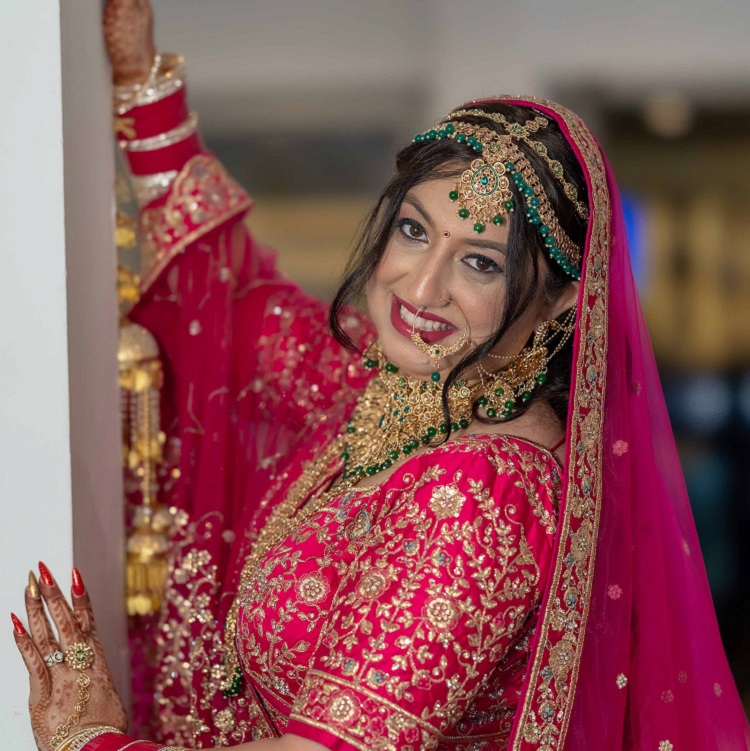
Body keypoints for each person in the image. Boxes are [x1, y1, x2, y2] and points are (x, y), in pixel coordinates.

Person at [11, 1, 750, 750]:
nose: (421, 288)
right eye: (414, 230)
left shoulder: (477, 497)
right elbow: (238, 306)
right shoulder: (397, 391)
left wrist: (88, 742)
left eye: (480, 262)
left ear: (563, 299)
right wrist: (143, 86)